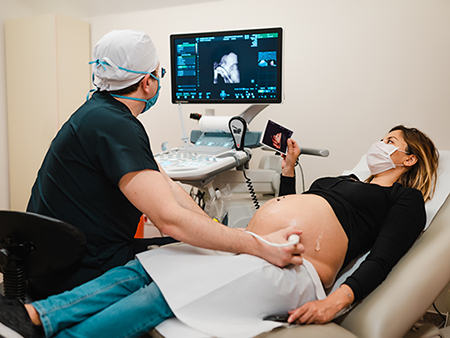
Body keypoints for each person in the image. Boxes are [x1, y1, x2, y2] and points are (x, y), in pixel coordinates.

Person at [0, 125, 439, 338]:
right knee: (149, 264)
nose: (381, 144)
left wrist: (336, 302)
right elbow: (298, 203)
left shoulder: (404, 201)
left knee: (167, 293)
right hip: (257, 249)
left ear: (409, 159)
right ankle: (41, 315)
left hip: (298, 269)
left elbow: (385, 255)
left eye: (391, 141)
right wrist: (287, 172)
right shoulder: (345, 181)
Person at [25, 29, 302, 298]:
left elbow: (166, 185)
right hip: (79, 273)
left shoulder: (99, 113)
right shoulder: (116, 125)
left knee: (195, 247)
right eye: (159, 73)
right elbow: (170, 222)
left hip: (55, 261)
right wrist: (257, 245)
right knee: (199, 265)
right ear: (147, 83)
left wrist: (218, 230)